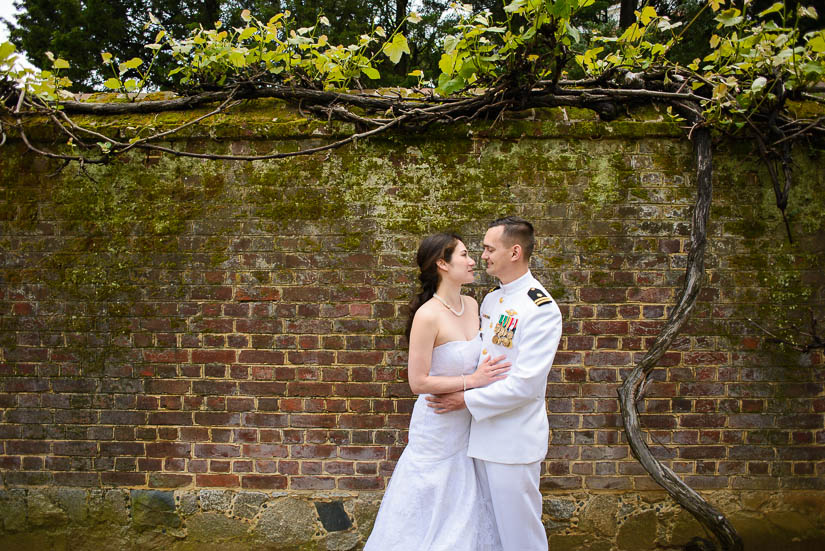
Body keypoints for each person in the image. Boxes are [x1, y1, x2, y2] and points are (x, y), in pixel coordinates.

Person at [364, 232, 509, 551]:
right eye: (465, 255)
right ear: (442, 264)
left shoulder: (474, 306)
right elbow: (418, 381)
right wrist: (473, 381)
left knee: (463, 506)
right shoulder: (427, 316)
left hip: (467, 426)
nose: (474, 261)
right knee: (427, 505)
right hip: (436, 427)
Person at [427, 217, 563, 551]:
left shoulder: (540, 309)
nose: (483, 255)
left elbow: (526, 385)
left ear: (514, 251)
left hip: (512, 442)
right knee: (491, 534)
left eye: (489, 248)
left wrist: (465, 400)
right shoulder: (491, 300)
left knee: (520, 538)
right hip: (479, 438)